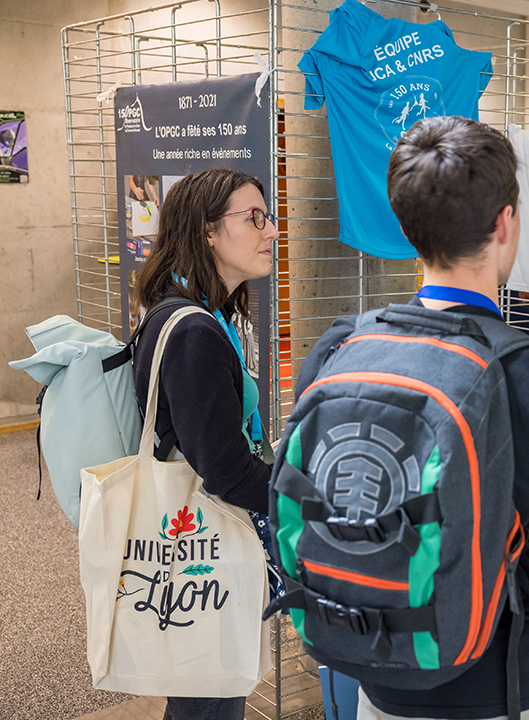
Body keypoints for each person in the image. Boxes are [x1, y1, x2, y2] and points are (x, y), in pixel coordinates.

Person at [356, 115, 529, 719]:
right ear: (505, 222)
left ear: (405, 224)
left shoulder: (346, 349)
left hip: (378, 665)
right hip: (506, 682)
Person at [131, 168, 278, 720]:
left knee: (207, 695)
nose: (269, 233)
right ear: (208, 232)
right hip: (202, 542)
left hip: (198, 536)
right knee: (209, 700)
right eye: (254, 218)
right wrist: (307, 497)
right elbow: (225, 470)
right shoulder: (193, 329)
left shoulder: (195, 314)